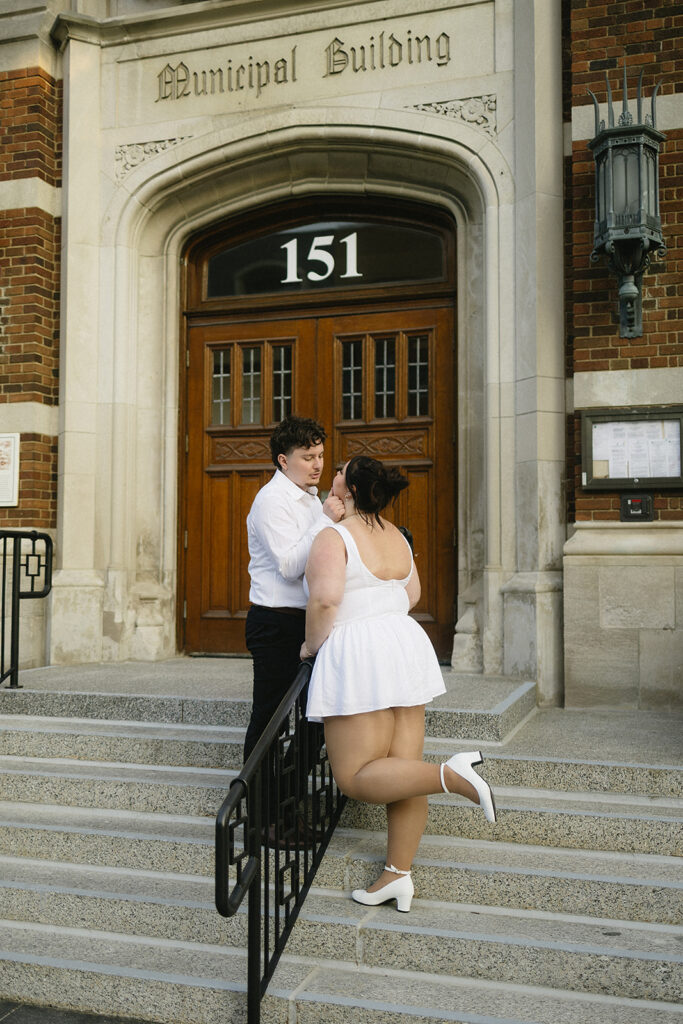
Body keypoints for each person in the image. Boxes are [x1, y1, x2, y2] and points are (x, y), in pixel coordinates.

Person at [301, 455, 496, 912]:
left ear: (349, 489)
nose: (331, 475)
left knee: (353, 776)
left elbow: (326, 600)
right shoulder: (397, 536)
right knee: (402, 771)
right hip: (403, 644)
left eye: (338, 472)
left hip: (361, 650)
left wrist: (311, 647)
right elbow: (412, 595)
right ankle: (397, 875)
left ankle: (451, 774)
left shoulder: (333, 535)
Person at [243, 415, 344, 836]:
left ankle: (285, 804)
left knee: (314, 720)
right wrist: (325, 520)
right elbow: (288, 566)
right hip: (275, 624)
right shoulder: (271, 500)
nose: (317, 464)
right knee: (270, 721)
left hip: (307, 625)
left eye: (320, 455)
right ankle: (260, 819)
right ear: (284, 460)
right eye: (308, 457)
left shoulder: (308, 498)